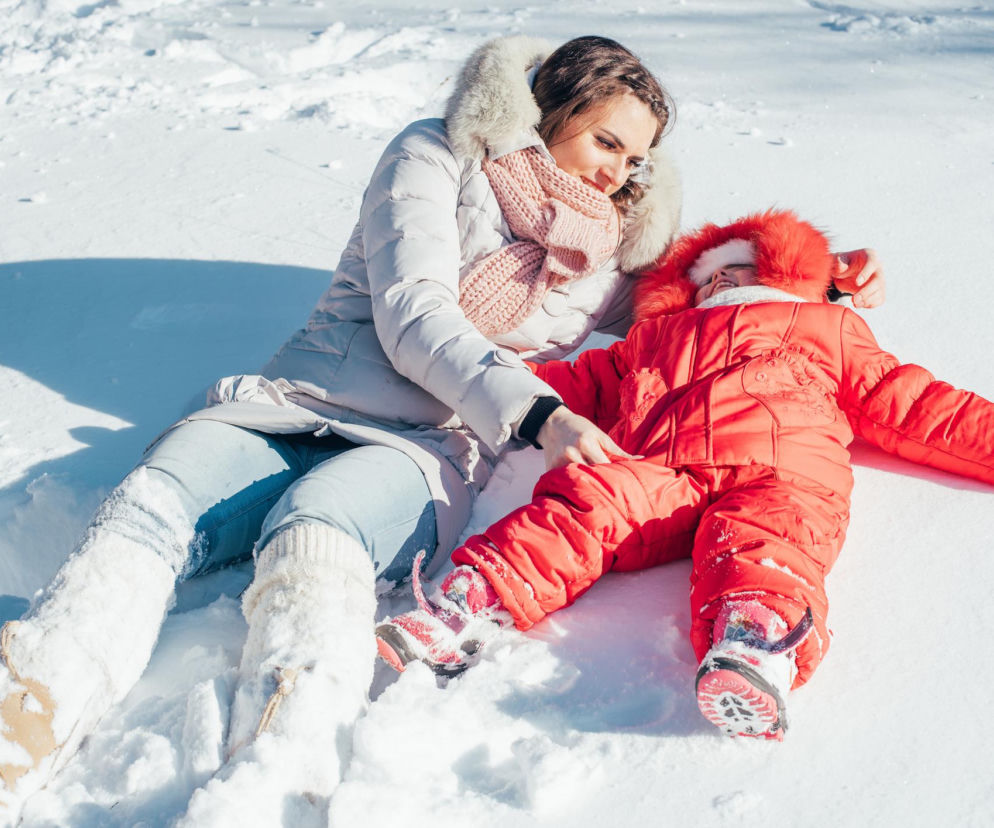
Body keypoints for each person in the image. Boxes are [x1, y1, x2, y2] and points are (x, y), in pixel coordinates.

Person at [0, 35, 882, 821]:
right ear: (552, 110)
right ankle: (28, 704)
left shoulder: (611, 257)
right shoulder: (435, 155)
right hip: (292, 403)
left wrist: (817, 280)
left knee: (317, 552)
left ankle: (280, 778)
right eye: (605, 140)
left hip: (424, 453)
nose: (616, 172)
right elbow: (413, 310)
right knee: (147, 511)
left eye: (636, 158)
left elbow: (699, 297)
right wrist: (539, 414)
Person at [374, 208, 990, 742]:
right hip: (662, 468)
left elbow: (912, 403)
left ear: (784, 273)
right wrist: (460, 379)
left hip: (782, 469)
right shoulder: (653, 339)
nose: (721, 279)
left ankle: (755, 640)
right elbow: (573, 384)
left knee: (771, 537)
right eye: (708, 275)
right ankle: (469, 602)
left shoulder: (826, 327)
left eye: (739, 269)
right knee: (591, 497)